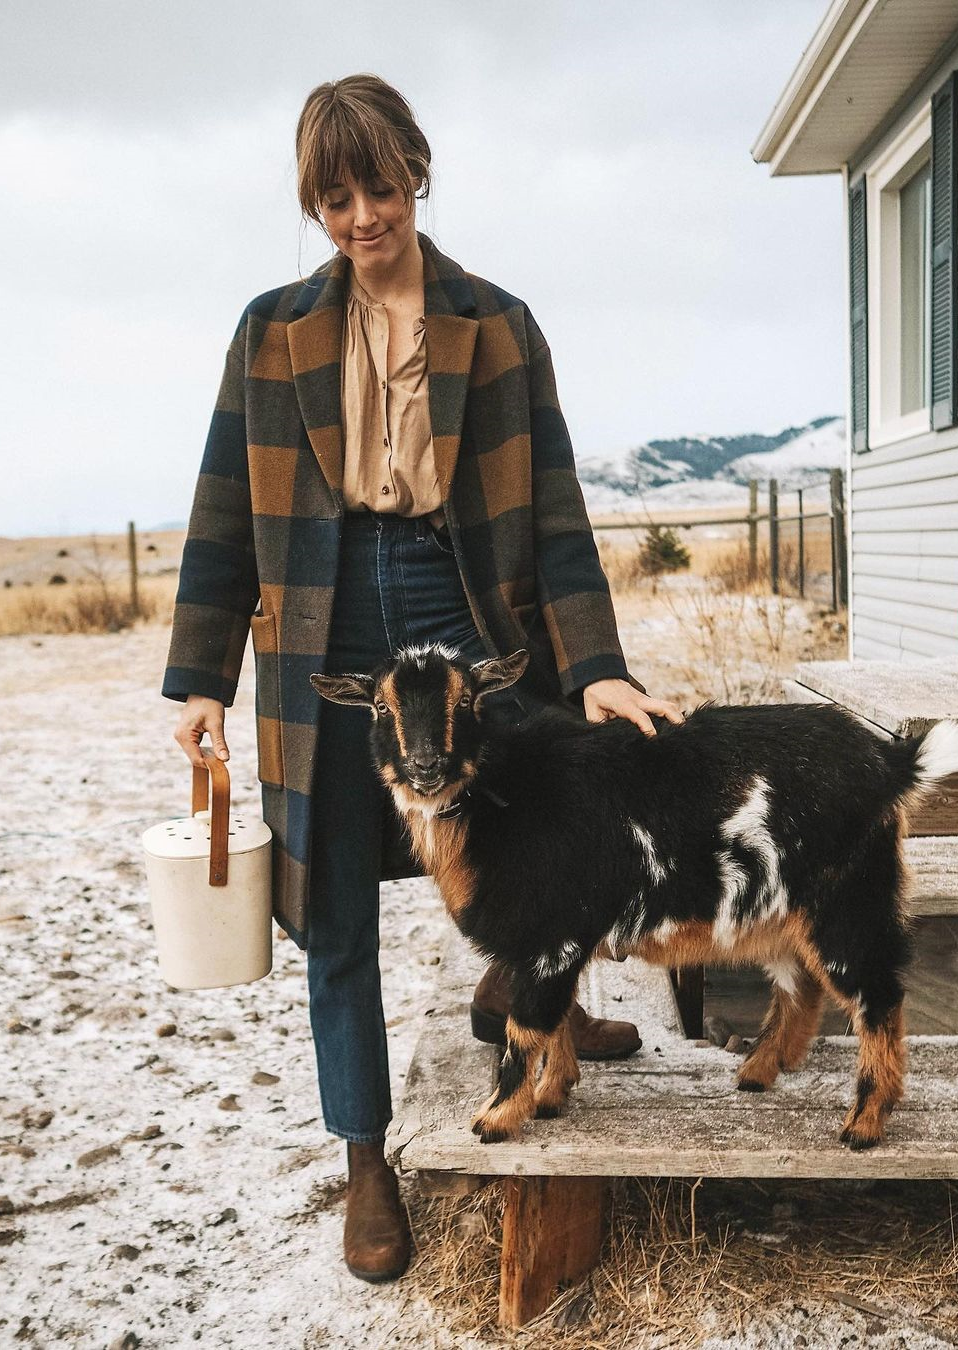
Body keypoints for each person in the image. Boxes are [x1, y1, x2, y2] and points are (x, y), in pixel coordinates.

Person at [162, 74, 684, 1283]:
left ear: (417, 173)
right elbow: (225, 512)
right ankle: (365, 1157)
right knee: (337, 905)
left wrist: (596, 667)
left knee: (556, 824)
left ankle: (526, 988)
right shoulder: (271, 329)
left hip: (463, 601)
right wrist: (202, 678)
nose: (360, 217)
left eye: (379, 188)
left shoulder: (495, 322)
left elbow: (554, 514)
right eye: (334, 198)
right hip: (326, 626)